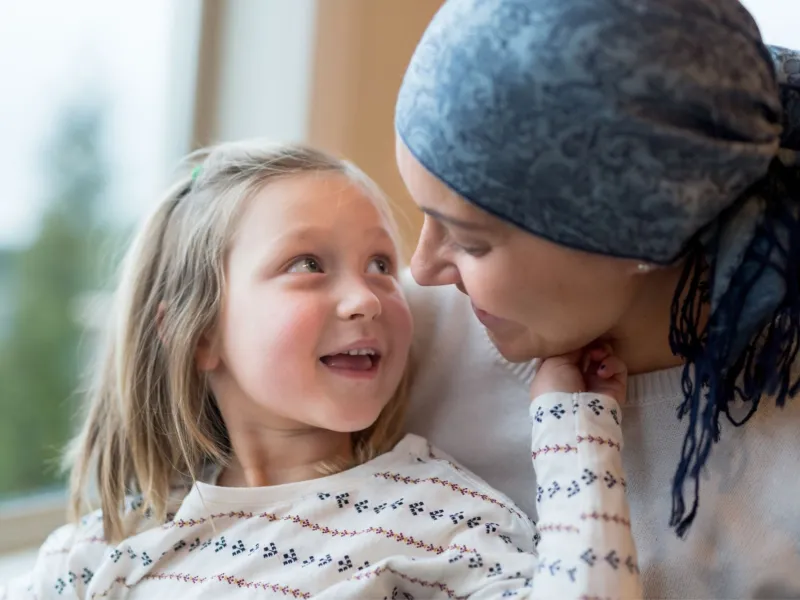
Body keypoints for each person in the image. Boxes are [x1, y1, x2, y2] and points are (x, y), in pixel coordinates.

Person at [1, 140, 641, 599]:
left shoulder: (441, 517)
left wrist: (572, 428)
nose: (367, 297)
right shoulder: (99, 552)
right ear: (197, 332)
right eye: (307, 264)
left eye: (381, 266)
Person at [394, 0, 800, 597]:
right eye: (426, 217)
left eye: (472, 242)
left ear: (644, 235)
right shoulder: (391, 342)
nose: (421, 268)